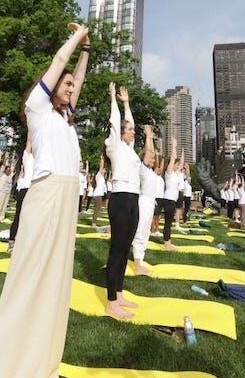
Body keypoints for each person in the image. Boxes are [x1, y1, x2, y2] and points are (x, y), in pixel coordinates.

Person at [0, 22, 89, 378]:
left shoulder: (65, 119)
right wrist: (76, 38)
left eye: (74, 85)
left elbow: (78, 77)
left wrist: (87, 51)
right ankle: (5, 364)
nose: (72, 87)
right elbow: (60, 61)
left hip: (69, 194)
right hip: (47, 193)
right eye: (66, 82)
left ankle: (43, 365)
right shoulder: (37, 109)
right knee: (29, 276)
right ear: (49, 85)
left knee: (56, 281)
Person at [104, 83, 141, 320]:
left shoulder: (130, 149)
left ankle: (119, 293)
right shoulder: (115, 145)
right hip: (119, 199)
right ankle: (110, 302)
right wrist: (114, 100)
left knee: (125, 249)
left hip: (133, 200)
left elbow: (130, 123)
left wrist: (128, 103)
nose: (133, 131)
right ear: (120, 132)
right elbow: (115, 121)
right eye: (129, 130)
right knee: (117, 250)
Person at [132, 124, 158, 276]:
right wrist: (148, 136)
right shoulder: (142, 169)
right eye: (151, 157)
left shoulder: (151, 172)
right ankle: (137, 265)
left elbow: (152, 153)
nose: (153, 158)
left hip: (150, 204)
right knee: (140, 233)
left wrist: (151, 139)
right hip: (143, 203)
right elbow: (149, 153)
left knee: (146, 233)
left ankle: (140, 261)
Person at [7, 137, 32, 253]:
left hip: (36, 190)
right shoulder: (28, 156)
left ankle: (27, 242)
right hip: (25, 189)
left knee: (32, 219)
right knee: (19, 216)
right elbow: (30, 140)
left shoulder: (43, 157)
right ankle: (12, 242)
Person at [161, 138, 180, 251]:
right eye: (176, 164)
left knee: (169, 222)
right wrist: (174, 146)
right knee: (168, 223)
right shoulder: (169, 173)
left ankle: (168, 242)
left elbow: (179, 162)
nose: (177, 166)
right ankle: (167, 244)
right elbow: (173, 158)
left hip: (172, 200)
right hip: (168, 200)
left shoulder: (176, 175)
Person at [0, 153, 13, 222]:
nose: (9, 171)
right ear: (5, 170)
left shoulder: (10, 176)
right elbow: (3, 166)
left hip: (7, 193)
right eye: (8, 170)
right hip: (1, 192)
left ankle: (1, 218)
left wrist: (16, 161)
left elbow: (12, 167)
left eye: (9, 170)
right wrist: (6, 158)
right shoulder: (2, 175)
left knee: (4, 207)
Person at [92, 154, 108, 229]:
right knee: (97, 209)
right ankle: (93, 223)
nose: (105, 170)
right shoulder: (99, 175)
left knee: (98, 209)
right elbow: (101, 167)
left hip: (98, 195)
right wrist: (102, 158)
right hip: (97, 195)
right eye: (104, 169)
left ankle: (94, 222)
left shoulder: (101, 177)